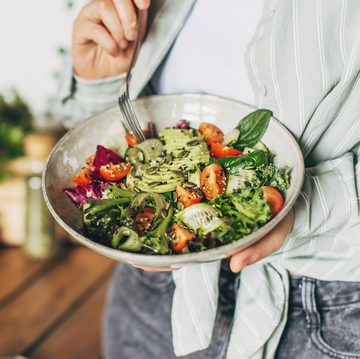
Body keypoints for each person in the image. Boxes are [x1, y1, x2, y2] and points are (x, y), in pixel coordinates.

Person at [61, 0, 360, 358]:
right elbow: (101, 141)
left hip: (322, 306)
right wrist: (103, 79)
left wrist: (307, 203)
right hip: (153, 286)